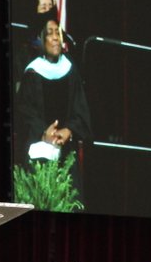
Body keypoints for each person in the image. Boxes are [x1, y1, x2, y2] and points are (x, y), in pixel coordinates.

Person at [14, 17, 92, 169]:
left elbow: (80, 109)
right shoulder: (33, 72)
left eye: (58, 32)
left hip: (67, 150)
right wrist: (44, 132)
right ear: (42, 40)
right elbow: (24, 113)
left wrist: (69, 130)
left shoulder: (70, 69)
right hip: (38, 148)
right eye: (50, 33)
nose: (56, 37)